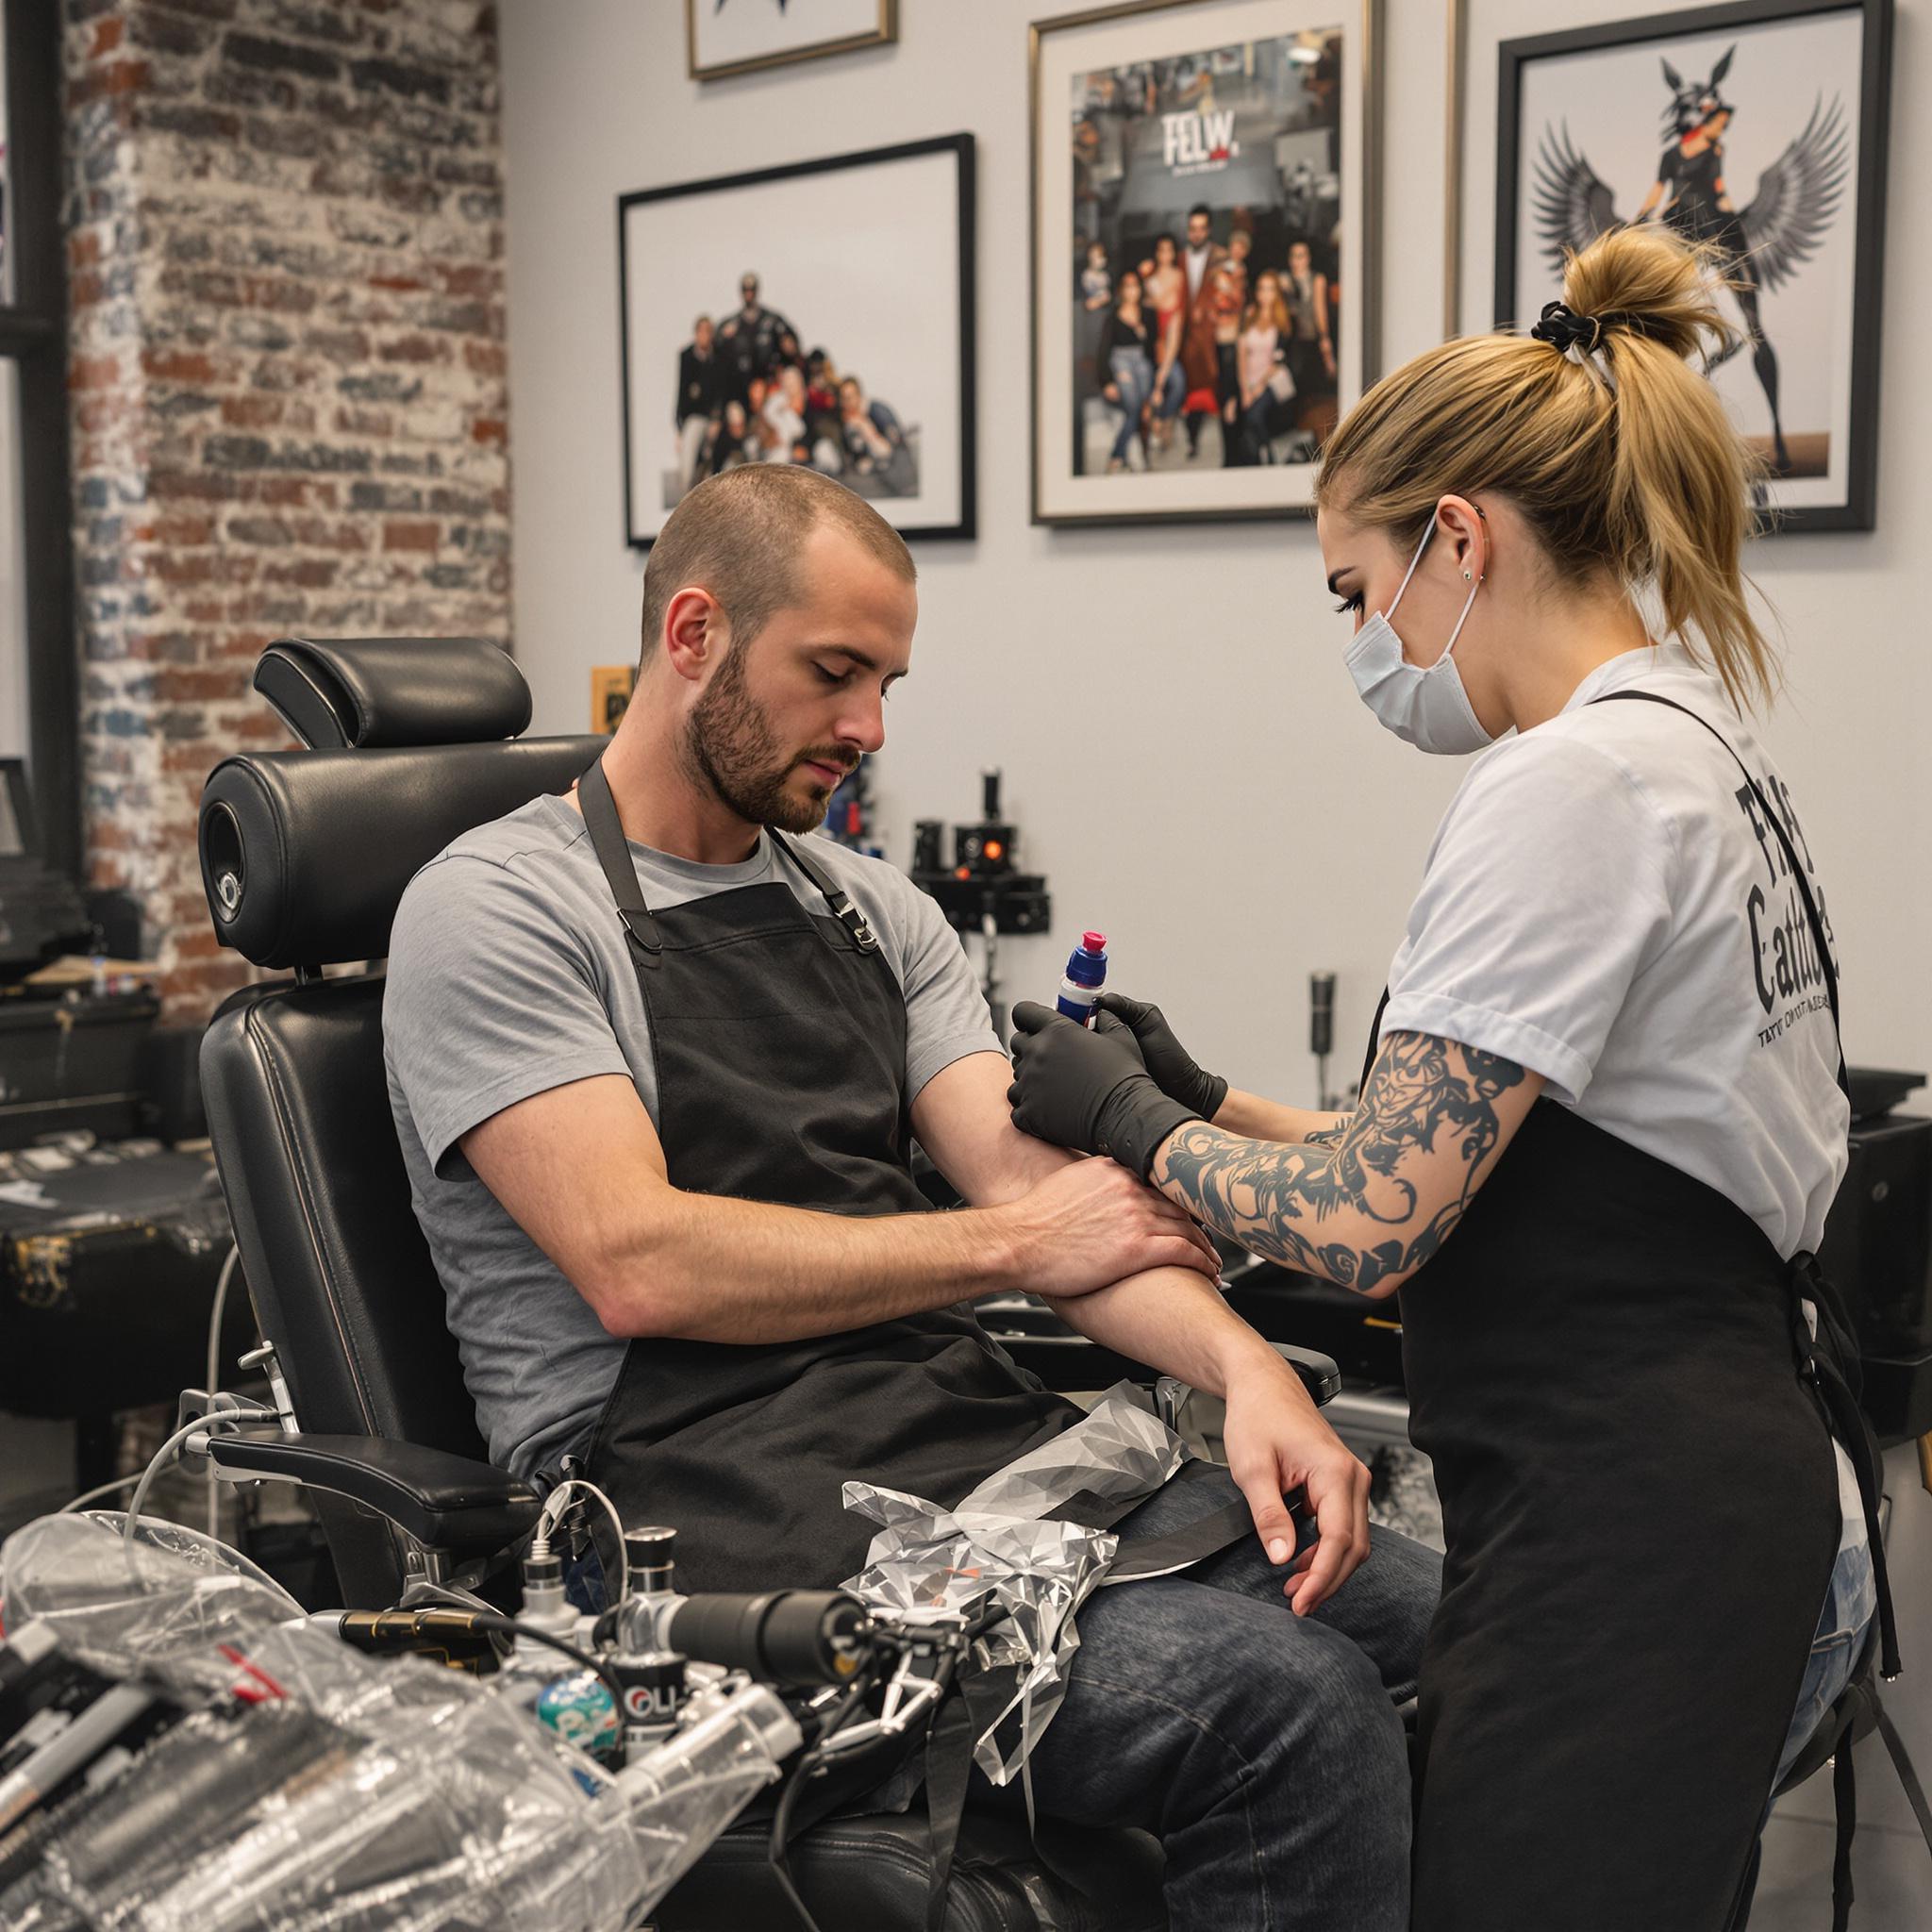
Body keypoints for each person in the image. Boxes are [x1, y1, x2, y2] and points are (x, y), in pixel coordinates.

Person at [384, 465, 1440, 1932]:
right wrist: (1015, 1243)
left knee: (1457, 1633)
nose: (870, 728)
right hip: (676, 1511)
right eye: (834, 674)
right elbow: (639, 1262)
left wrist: (1250, 1374)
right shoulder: (497, 909)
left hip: (924, 1449)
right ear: (693, 634)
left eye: (885, 680)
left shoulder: (868, 911)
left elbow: (1047, 1197)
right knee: (1289, 1705)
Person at [1004, 224, 1892, 1932]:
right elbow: (1537, 1152)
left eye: (1356, 591)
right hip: (1720, 1479)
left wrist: (1132, 1122)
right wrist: (1217, 1095)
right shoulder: (1692, 743)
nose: (1357, 639)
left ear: (1458, 541)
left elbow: (1369, 1221)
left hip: (1630, 1529)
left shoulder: (1567, 786)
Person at [1177, 204, 1227, 459]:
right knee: (1190, 390)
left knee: (1215, 386)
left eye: (1201, 228)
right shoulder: (1179, 259)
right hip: (1186, 338)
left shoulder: (1221, 257)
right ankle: (1192, 440)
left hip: (1212, 336)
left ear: (1208, 230)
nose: (1196, 233)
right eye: (1192, 229)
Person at [1100, 267, 1156, 473]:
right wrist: (1107, 381)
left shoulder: (1147, 314)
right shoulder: (1113, 318)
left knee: (1144, 409)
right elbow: (1103, 351)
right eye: (1128, 286)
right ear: (1122, 290)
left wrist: (1143, 332)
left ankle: (1134, 457)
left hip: (1141, 362)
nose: (1132, 291)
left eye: (1135, 286)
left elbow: (1152, 350)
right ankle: (1118, 454)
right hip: (1121, 361)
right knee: (1134, 407)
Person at [1235, 269, 1293, 465]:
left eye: (1270, 289)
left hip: (1272, 380)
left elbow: (1278, 361)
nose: (1265, 294)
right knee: (1246, 423)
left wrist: (1259, 387)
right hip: (1249, 379)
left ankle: (1269, 456)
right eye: (1262, 289)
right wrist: (1245, 389)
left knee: (1255, 416)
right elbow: (1241, 354)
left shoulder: (1282, 319)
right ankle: (1258, 460)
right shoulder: (1250, 314)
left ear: (1276, 292)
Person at [716, 271, 791, 407]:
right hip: (739, 390)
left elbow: (791, 345)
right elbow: (715, 354)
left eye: (752, 289)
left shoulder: (772, 320)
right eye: (745, 289)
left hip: (769, 387)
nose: (749, 293)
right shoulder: (730, 325)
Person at [1141, 231, 1186, 450]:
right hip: (1153, 344)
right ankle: (1155, 422)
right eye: (1162, 250)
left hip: (1171, 340)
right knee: (1151, 381)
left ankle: (1165, 420)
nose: (1165, 254)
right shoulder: (1150, 279)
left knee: (1177, 382)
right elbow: (1150, 307)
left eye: (1169, 250)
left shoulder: (1179, 276)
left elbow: (1174, 312)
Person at [1281, 240, 1336, 422]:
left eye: (1301, 256)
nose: (1297, 261)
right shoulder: (1285, 280)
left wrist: (1324, 338)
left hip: (1312, 339)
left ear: (1308, 258)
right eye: (1294, 256)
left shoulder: (1316, 279)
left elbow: (1320, 310)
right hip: (1293, 341)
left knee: (1314, 387)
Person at [1211, 228, 1254, 465]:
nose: (1237, 250)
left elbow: (1237, 301)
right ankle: (1229, 451)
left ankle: (1234, 452)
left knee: (1233, 384)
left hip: (1233, 334)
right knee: (1225, 385)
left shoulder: (1239, 273)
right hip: (1221, 333)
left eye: (1242, 247)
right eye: (1235, 245)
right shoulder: (1223, 270)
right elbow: (1219, 300)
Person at [674, 314, 719, 491]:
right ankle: (687, 500)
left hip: (713, 419)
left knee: (711, 463)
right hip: (694, 417)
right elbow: (681, 392)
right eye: (702, 331)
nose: (705, 335)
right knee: (688, 464)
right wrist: (679, 428)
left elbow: (720, 391)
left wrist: (717, 419)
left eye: (708, 331)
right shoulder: (687, 357)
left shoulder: (718, 359)